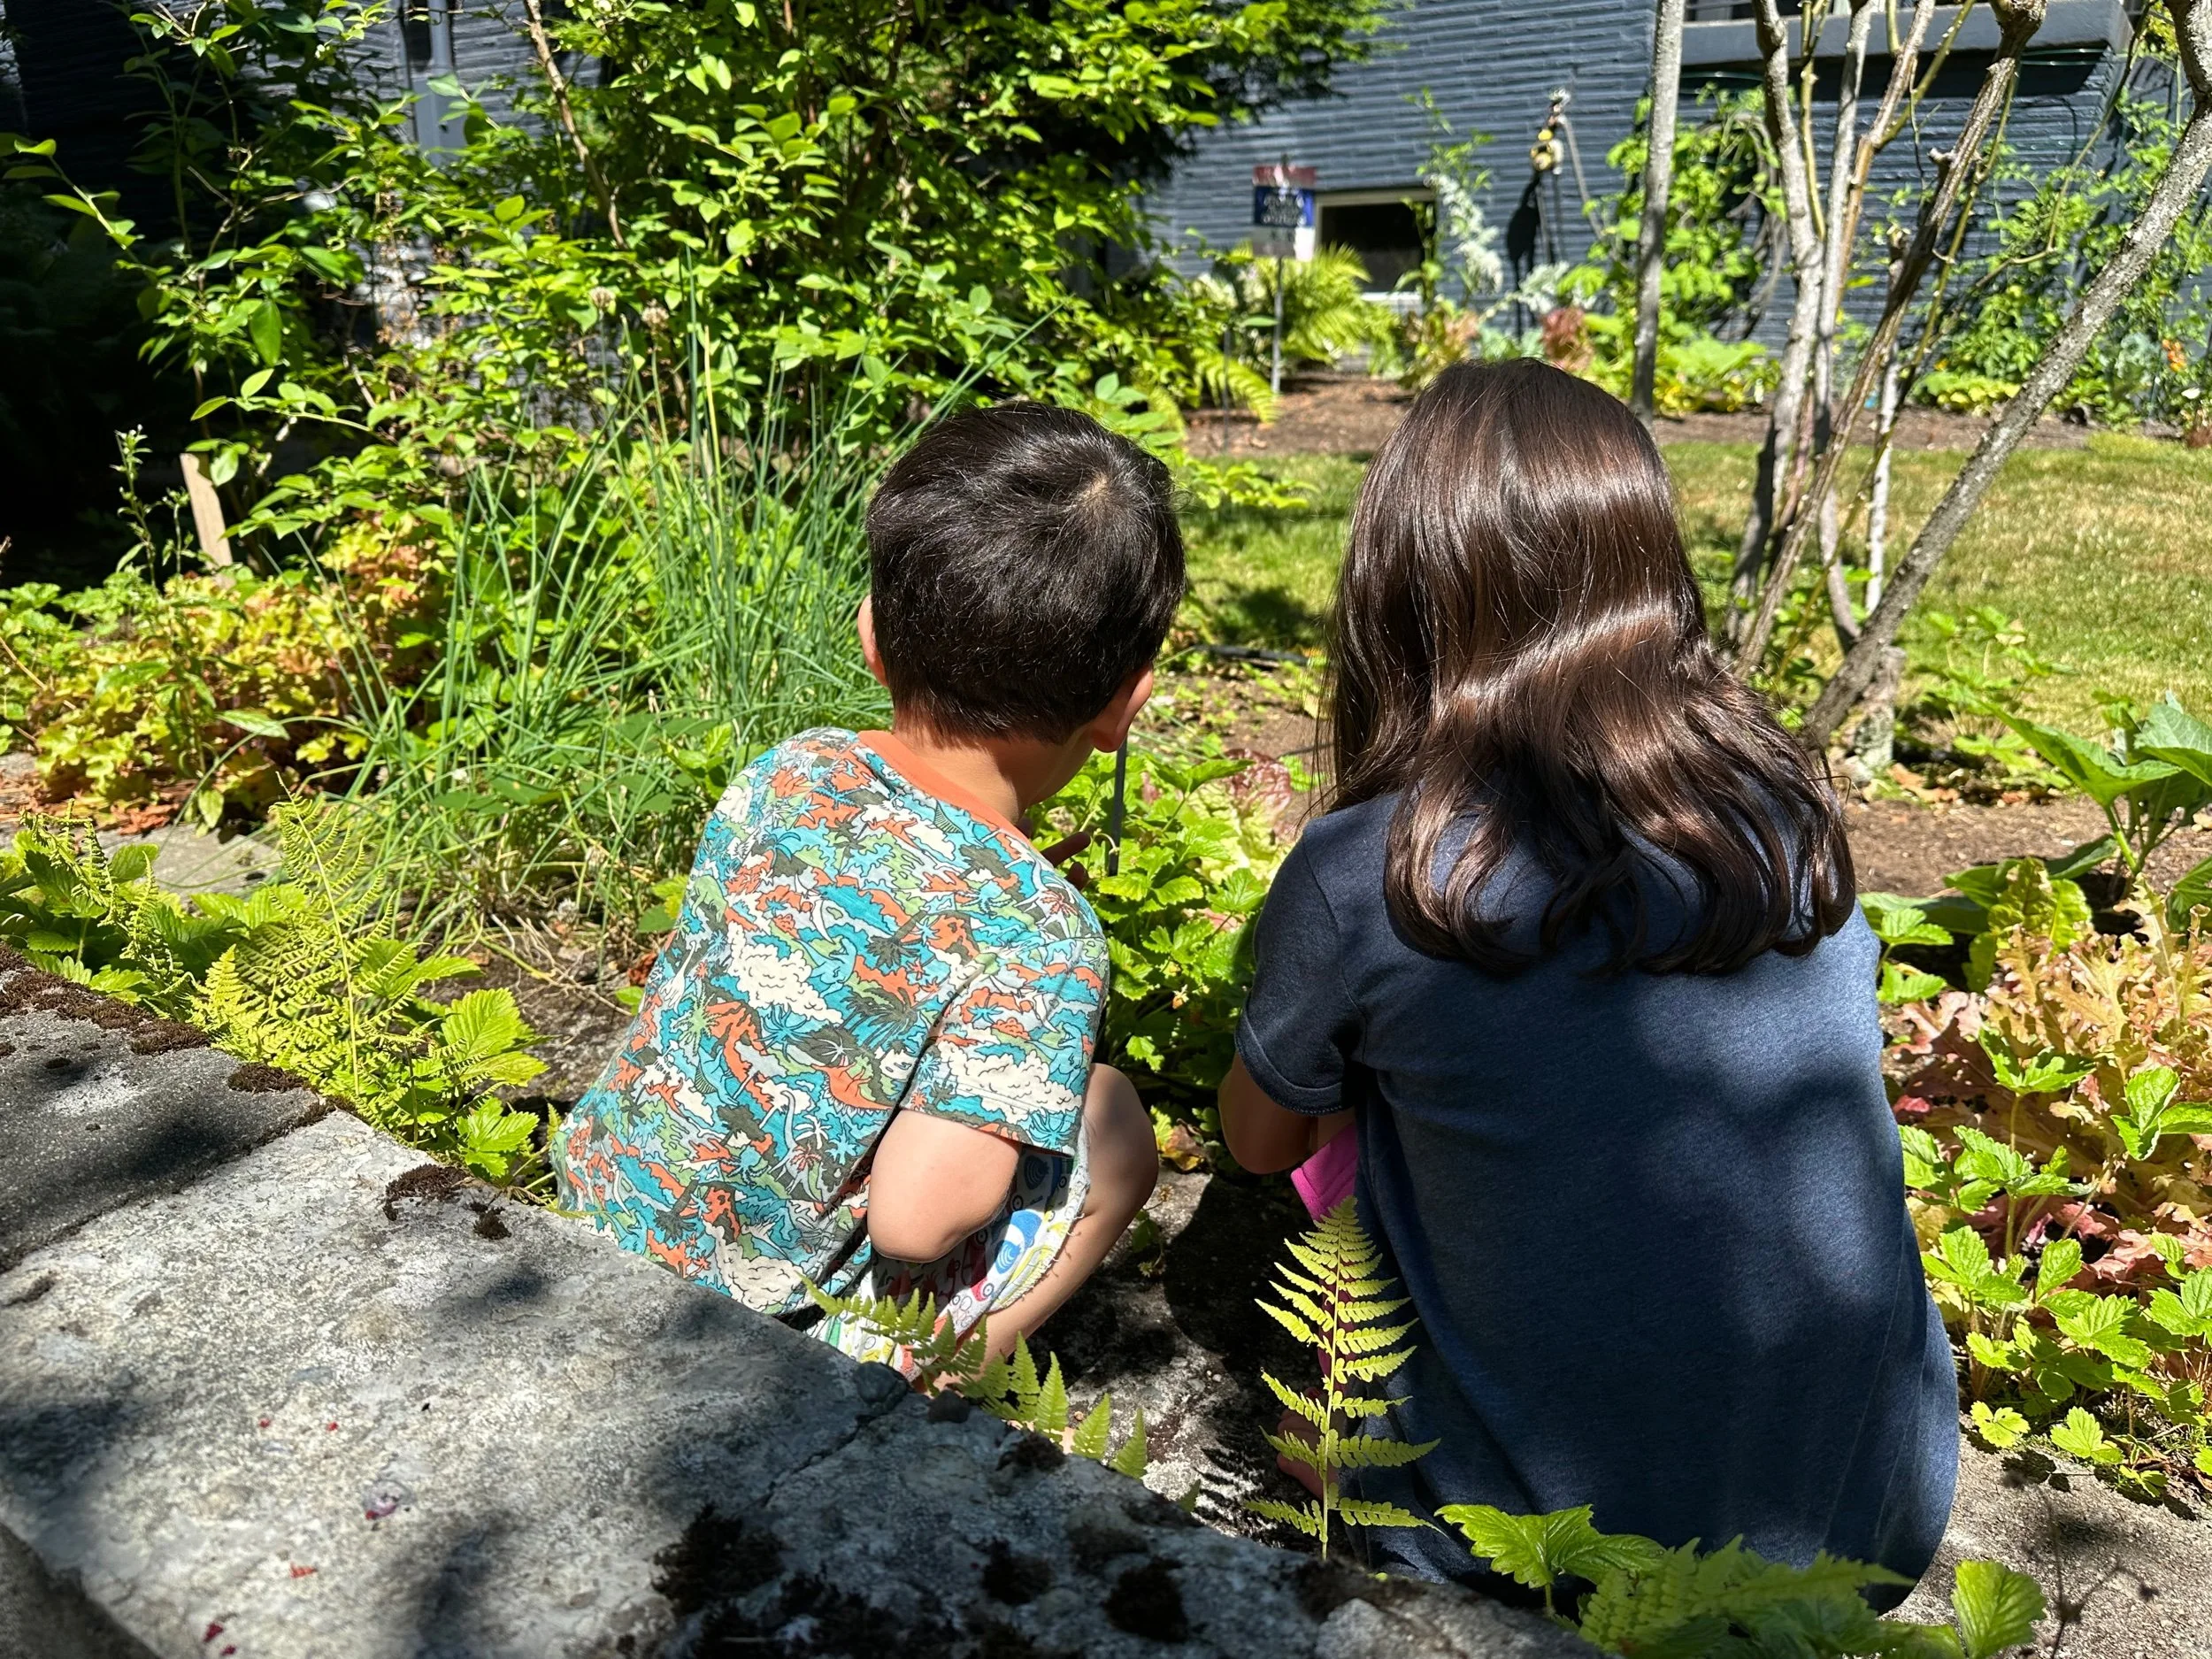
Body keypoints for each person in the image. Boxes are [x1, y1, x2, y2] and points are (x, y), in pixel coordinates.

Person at [1219, 358, 1955, 1601]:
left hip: (1540, 1557)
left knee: (1357, 1165)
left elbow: (1256, 1140)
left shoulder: (1373, 866)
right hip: (1866, 1509)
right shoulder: (1780, 812)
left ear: (1398, 592)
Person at [555, 402, 1169, 1377]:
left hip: (598, 1203)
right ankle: (914, 1386)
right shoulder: (1042, 933)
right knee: (1117, 1125)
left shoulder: (793, 766)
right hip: (748, 1332)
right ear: (1123, 704)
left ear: (872, 634)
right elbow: (916, 1222)